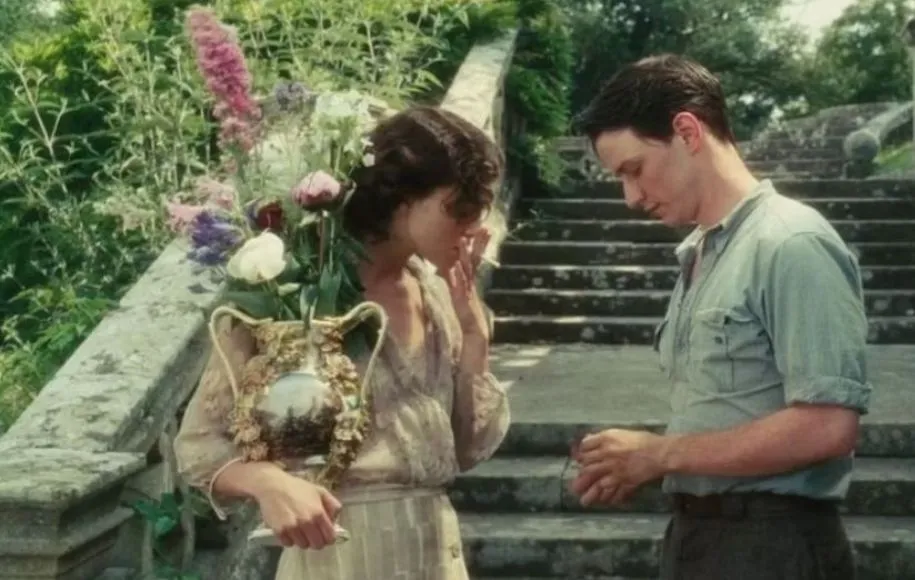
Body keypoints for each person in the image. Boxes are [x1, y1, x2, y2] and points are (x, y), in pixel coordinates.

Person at [173, 105, 510, 580]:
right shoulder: (291, 289)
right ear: (402, 199)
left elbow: (466, 448)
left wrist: (474, 336)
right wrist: (266, 481)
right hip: (339, 555)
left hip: (437, 554)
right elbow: (198, 445)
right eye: (460, 208)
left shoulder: (436, 295)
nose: (475, 228)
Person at [568, 54, 871, 580]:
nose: (631, 197)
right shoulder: (703, 253)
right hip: (701, 538)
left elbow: (828, 425)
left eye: (634, 171)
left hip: (773, 547)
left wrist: (661, 454)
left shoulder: (791, 242)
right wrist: (641, 463)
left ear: (687, 131)